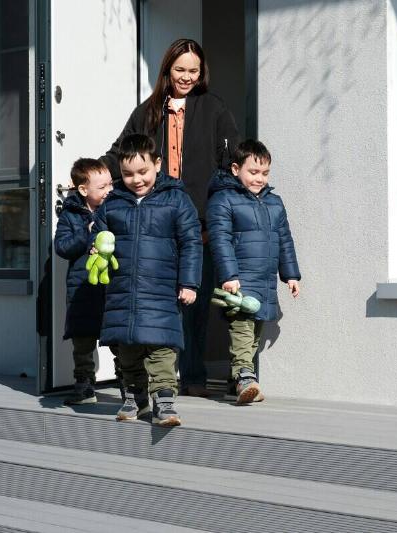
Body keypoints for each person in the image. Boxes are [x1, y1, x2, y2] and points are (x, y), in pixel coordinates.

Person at [102, 38, 238, 397]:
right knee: (158, 304)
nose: (187, 77)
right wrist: (95, 175)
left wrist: (219, 204)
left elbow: (231, 162)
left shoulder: (214, 108)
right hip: (156, 222)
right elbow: (120, 153)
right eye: (180, 69)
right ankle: (155, 380)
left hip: (199, 226)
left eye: (194, 70)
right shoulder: (147, 112)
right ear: (167, 69)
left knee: (195, 304)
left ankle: (192, 378)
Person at [94, 134, 202, 426]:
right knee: (127, 347)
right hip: (123, 289)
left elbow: (191, 242)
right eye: (128, 174)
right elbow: (100, 237)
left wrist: (189, 282)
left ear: (157, 164)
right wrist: (97, 248)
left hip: (161, 289)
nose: (136, 179)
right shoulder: (113, 203)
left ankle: (164, 400)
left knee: (161, 347)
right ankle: (136, 396)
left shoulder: (176, 199)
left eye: (142, 172)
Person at [206, 139, 301, 405]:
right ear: (236, 169)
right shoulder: (223, 199)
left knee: (254, 333)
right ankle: (245, 377)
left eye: (265, 173)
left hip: (264, 279)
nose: (259, 178)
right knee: (242, 329)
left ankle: (236, 381)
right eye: (253, 172)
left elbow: (285, 240)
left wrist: (291, 275)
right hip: (239, 279)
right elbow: (220, 240)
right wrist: (228, 276)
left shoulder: (274, 203)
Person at [54, 158, 115, 405]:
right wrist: (85, 233)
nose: (109, 190)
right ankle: (84, 385)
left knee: (118, 338)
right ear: (83, 190)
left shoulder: (114, 209)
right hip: (81, 288)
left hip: (110, 286)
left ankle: (129, 384)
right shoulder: (70, 215)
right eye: (102, 187)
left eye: (110, 184)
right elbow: (62, 247)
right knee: (82, 340)